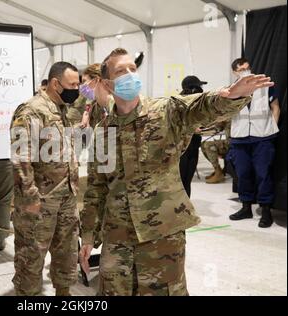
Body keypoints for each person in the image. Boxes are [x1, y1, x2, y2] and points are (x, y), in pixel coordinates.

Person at [79, 48, 273, 296]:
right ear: (107, 83)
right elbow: (96, 189)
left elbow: (201, 106)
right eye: (121, 71)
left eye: (133, 69)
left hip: (163, 236)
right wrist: (87, 237)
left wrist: (231, 96)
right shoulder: (102, 133)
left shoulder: (165, 111)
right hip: (117, 238)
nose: (129, 75)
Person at [10, 62, 80, 296]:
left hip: (65, 200)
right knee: (31, 259)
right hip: (39, 203)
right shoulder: (31, 110)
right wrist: (30, 197)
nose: (76, 89)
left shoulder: (63, 110)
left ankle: (63, 293)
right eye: (72, 85)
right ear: (55, 84)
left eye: (78, 84)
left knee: (66, 255)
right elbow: (21, 157)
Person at [228, 58, 280, 228]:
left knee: (263, 174)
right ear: (235, 72)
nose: (246, 71)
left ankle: (266, 211)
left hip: (262, 137)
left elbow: (275, 107)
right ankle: (246, 207)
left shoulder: (263, 85)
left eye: (248, 68)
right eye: (242, 69)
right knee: (242, 174)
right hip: (240, 137)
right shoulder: (231, 90)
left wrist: (272, 126)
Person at [178, 76, 206, 197]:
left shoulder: (198, 102)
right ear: (192, 89)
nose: (201, 89)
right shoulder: (179, 102)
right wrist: (191, 128)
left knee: (187, 181)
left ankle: (186, 210)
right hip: (181, 148)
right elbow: (176, 123)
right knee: (181, 182)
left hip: (194, 145)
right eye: (199, 86)